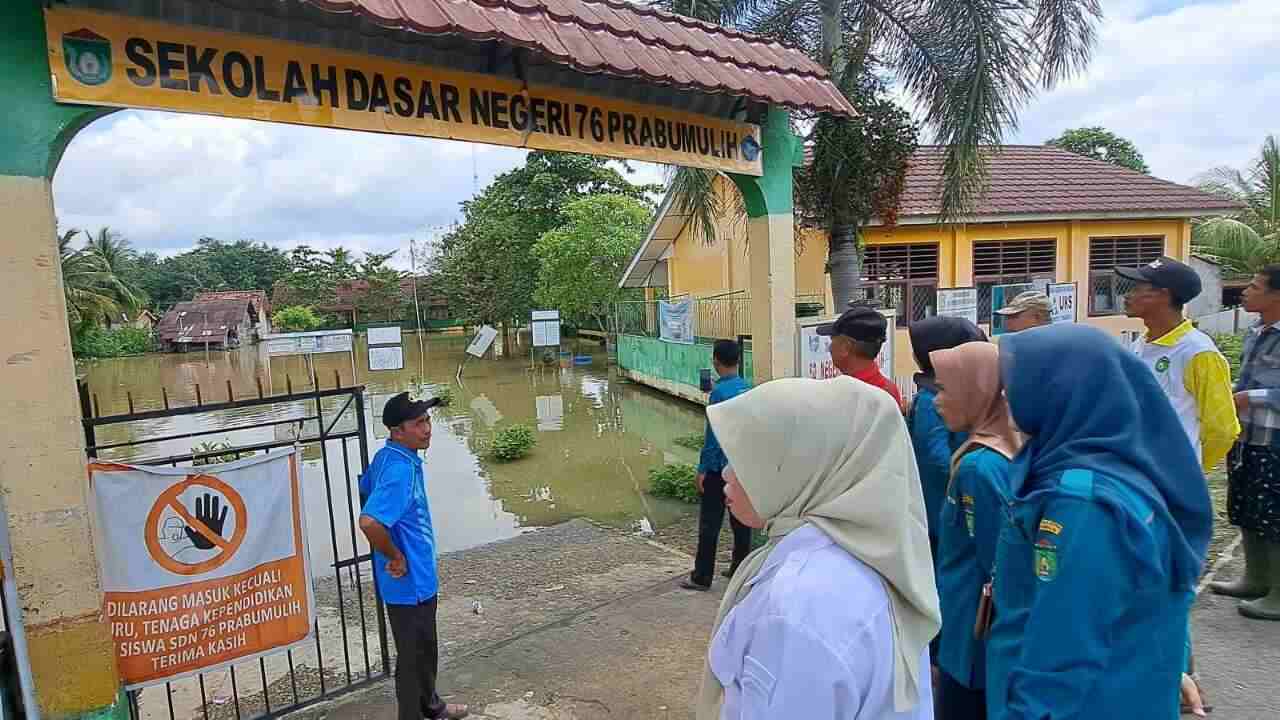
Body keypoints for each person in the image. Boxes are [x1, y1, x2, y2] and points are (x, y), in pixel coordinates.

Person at [987, 324, 1212, 720]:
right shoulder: (1122, 466)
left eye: (1017, 382)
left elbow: (1065, 650)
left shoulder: (1084, 505)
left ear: (1063, 389)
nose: (1005, 396)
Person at [695, 376, 940, 719]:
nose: (726, 473)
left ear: (806, 468)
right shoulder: (870, 552)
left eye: (751, 459)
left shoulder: (799, 609)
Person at [1119, 255, 1239, 714]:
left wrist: (1185, 473)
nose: (1128, 294)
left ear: (1164, 296)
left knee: (1167, 585)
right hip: (1135, 483)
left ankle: (1183, 681)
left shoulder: (1198, 352)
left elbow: (1222, 427)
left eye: (1139, 287)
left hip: (1167, 492)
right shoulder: (1138, 347)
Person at [359, 392, 468, 720]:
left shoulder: (390, 457)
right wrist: (395, 556)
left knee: (424, 651)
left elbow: (364, 489)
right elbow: (370, 521)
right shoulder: (399, 471)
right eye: (418, 423)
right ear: (397, 431)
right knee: (412, 658)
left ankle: (433, 708)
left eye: (428, 420)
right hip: (408, 583)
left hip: (416, 578)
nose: (427, 429)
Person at [930, 342, 1022, 720]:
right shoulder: (1001, 449)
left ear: (977, 392)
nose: (937, 402)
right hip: (972, 635)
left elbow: (996, 562)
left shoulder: (979, 468)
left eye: (945, 390)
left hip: (972, 642)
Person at [1210, 264, 1280, 621]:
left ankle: (1278, 595)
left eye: (1254, 286)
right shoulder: (1256, 330)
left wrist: (1249, 397)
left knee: (1275, 515)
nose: (1245, 292)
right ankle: (1255, 578)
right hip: (1247, 433)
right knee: (1246, 507)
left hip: (1275, 438)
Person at [907, 316, 988, 557]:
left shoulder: (936, 395)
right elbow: (935, 456)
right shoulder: (931, 395)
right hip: (943, 506)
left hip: (950, 506)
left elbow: (936, 454)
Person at [681, 340, 752, 591]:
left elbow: (713, 438)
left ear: (715, 361)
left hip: (719, 468)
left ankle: (702, 577)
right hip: (742, 466)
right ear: (739, 361)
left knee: (710, 523)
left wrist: (703, 469)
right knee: (741, 521)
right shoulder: (747, 388)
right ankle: (740, 568)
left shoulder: (719, 394)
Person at [817, 304, 903, 408]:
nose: (830, 348)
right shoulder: (889, 390)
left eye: (832, 340)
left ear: (845, 347)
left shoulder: (842, 395)